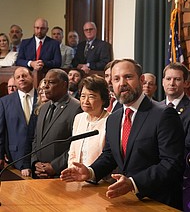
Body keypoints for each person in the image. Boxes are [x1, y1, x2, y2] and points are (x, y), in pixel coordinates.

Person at [60, 59, 185, 210]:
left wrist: (133, 183)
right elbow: (110, 156)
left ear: (141, 79)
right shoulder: (114, 118)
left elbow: (172, 163)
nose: (122, 83)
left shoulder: (163, 114)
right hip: (125, 201)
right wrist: (91, 171)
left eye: (128, 77)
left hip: (158, 202)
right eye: (116, 79)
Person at [31, 68, 82, 179]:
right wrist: (35, 162)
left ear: (64, 85)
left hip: (60, 175)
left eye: (51, 82)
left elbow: (77, 145)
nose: (45, 86)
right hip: (40, 173)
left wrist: (54, 166)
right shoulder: (43, 108)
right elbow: (36, 139)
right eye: (45, 82)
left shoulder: (76, 108)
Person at [161, 62, 190, 211]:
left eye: (177, 79)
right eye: (168, 79)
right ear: (163, 81)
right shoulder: (155, 109)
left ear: (186, 83)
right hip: (156, 179)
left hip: (181, 180)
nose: (171, 83)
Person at [0, 67, 38, 176]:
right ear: (15, 81)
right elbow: (1, 131)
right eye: (18, 77)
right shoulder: (4, 102)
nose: (21, 79)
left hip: (39, 156)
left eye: (24, 76)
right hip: (15, 156)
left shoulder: (43, 98)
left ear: (32, 77)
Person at [68, 74, 110, 167]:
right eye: (83, 96)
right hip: (76, 177)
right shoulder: (79, 118)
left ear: (103, 99)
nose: (85, 101)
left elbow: (109, 157)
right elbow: (72, 152)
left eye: (91, 96)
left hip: (100, 178)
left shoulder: (110, 120)